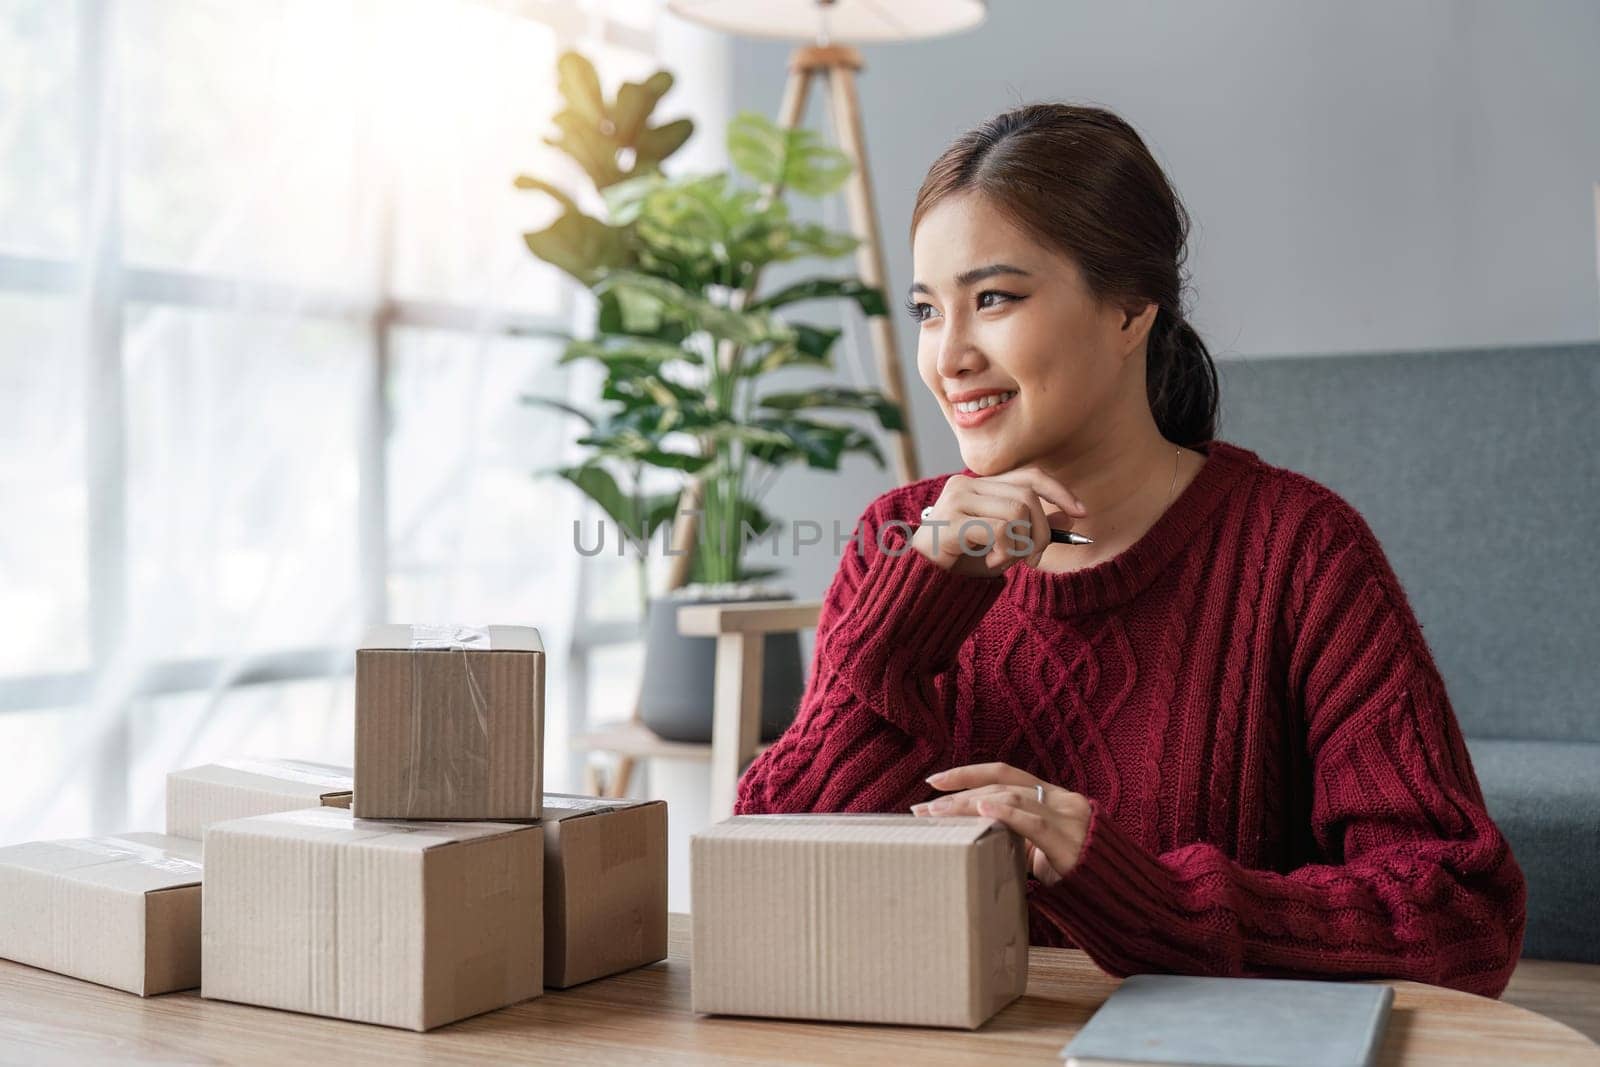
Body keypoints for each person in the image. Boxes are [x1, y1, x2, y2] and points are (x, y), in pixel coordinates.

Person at [733, 103, 1527, 998]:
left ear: (1129, 308)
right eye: (927, 309)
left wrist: (1144, 898)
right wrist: (914, 617)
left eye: (993, 298)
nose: (948, 355)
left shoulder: (1297, 551)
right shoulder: (899, 544)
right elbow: (763, 869)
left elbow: (1461, 917)